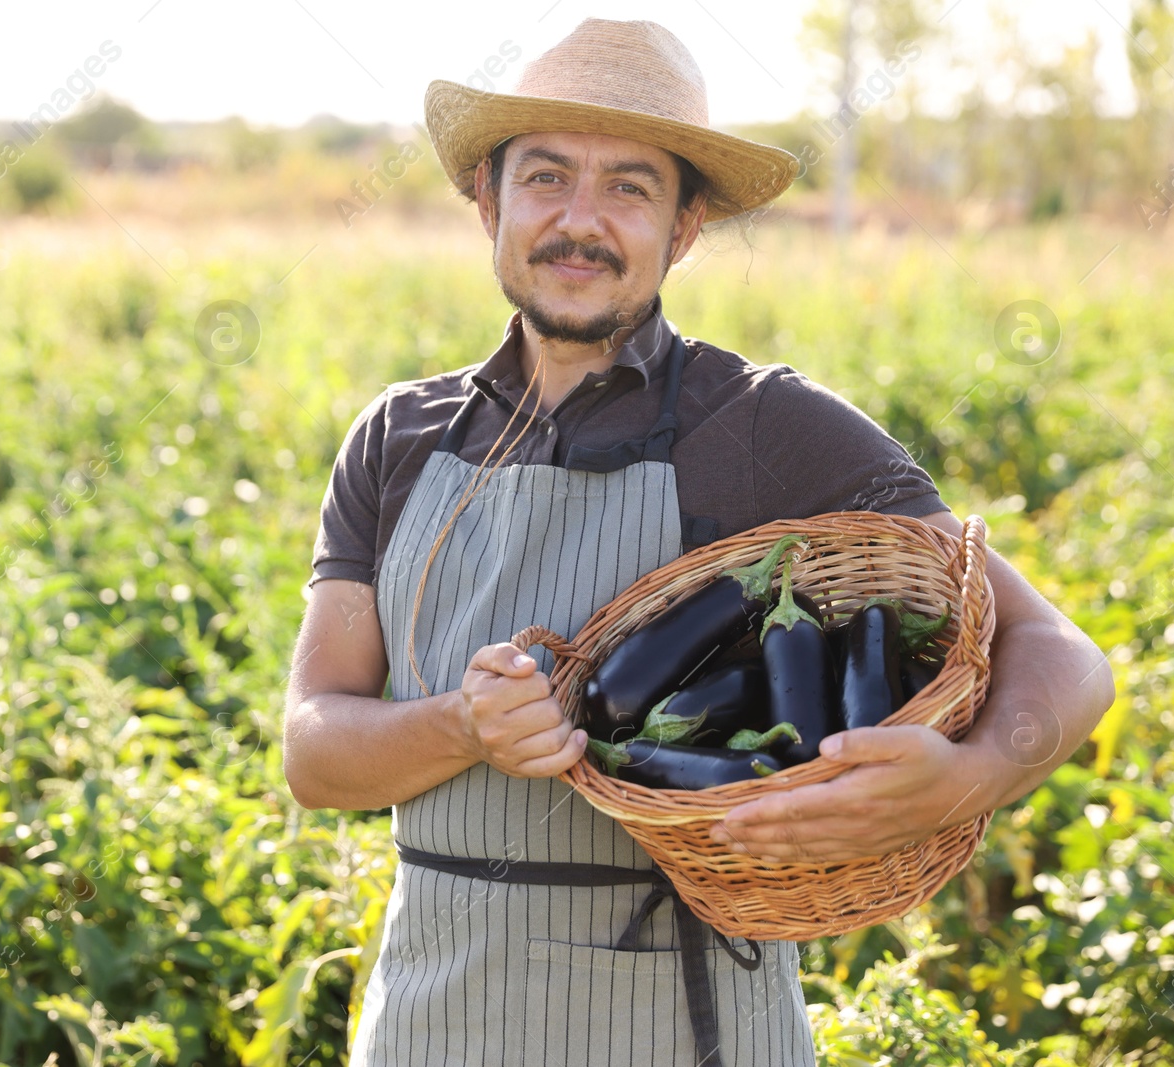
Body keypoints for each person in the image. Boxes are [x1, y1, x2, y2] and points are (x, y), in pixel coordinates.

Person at [283, 17, 1114, 1066]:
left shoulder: (770, 429)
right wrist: (463, 724)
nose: (579, 221)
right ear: (486, 200)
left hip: (687, 1032)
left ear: (683, 228)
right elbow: (314, 748)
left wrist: (971, 774)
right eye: (545, 177)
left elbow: (1066, 657)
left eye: (629, 186)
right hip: (427, 1028)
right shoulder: (397, 440)